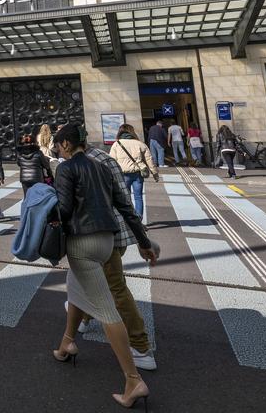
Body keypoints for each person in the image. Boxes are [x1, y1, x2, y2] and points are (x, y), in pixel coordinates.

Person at [51, 123, 157, 409]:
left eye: (59, 145)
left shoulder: (67, 168)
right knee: (75, 290)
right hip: (108, 238)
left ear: (67, 145)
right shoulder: (102, 165)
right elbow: (125, 206)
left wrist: (45, 219)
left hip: (83, 242)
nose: (59, 149)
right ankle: (66, 344)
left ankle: (134, 378)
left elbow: (64, 208)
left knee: (109, 305)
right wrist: (144, 241)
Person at [84, 143, 160, 371]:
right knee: (91, 282)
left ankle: (141, 347)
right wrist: (141, 239)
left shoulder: (84, 164)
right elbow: (125, 202)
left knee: (115, 288)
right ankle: (81, 318)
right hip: (119, 231)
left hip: (104, 235)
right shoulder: (102, 156)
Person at [109, 123, 157, 222]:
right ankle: (139, 219)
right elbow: (149, 159)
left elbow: (111, 161)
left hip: (123, 175)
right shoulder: (140, 143)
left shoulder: (117, 144)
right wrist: (154, 173)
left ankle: (130, 220)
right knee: (138, 197)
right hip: (138, 174)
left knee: (126, 198)